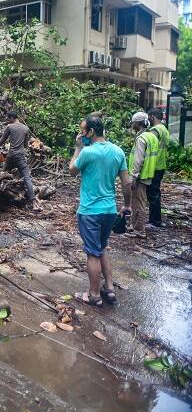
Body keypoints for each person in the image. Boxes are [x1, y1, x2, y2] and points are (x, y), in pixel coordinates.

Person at [69, 114, 131, 306]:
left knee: (92, 253)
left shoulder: (87, 152)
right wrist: (127, 205)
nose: (82, 134)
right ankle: (109, 289)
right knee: (102, 247)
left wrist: (78, 148)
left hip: (89, 211)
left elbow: (72, 170)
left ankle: (94, 295)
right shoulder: (118, 151)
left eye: (83, 131)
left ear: (92, 131)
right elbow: (126, 183)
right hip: (110, 210)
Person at [126, 112, 159, 238]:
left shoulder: (141, 139)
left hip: (140, 175)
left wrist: (133, 176)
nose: (132, 125)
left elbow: (138, 159)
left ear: (137, 123)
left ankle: (139, 230)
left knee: (138, 202)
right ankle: (134, 226)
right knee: (138, 201)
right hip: (148, 174)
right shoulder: (151, 136)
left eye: (133, 123)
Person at [0, 110, 36, 208]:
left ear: (11, 118)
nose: (7, 120)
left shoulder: (10, 127)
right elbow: (26, 145)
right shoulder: (26, 128)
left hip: (11, 156)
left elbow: (2, 140)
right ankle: (33, 201)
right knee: (26, 177)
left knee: (2, 174)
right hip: (21, 156)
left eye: (7, 118)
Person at [146, 107, 169, 228]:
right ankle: (155, 219)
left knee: (152, 194)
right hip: (161, 165)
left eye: (148, 117)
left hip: (154, 166)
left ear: (152, 117)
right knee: (155, 192)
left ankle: (154, 221)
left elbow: (148, 145)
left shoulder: (155, 130)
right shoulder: (164, 129)